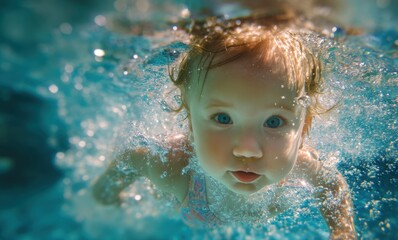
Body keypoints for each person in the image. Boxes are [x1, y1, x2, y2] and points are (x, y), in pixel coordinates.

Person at [92, 8, 357, 239]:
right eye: (223, 118)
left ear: (304, 128)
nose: (247, 150)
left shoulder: (302, 166)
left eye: (274, 121)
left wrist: (343, 231)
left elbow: (332, 184)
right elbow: (133, 158)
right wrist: (106, 195)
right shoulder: (175, 171)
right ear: (191, 122)